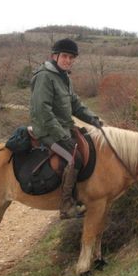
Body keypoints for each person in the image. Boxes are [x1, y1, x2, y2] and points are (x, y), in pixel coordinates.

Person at [30, 38, 103, 219]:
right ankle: (66, 206)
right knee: (73, 157)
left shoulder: (64, 78)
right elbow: (43, 111)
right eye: (64, 56)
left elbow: (76, 105)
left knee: (90, 146)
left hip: (63, 127)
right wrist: (61, 135)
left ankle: (81, 195)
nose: (68, 60)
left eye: (71, 57)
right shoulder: (44, 77)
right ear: (55, 56)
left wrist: (93, 119)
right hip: (46, 130)